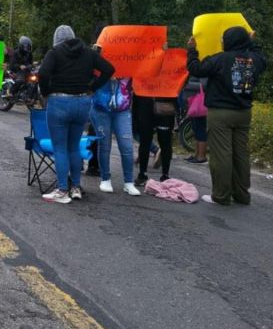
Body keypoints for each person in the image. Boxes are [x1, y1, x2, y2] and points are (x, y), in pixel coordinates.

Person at [187, 26, 267, 205]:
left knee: (221, 154)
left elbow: (196, 69)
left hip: (220, 113)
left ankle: (221, 195)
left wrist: (192, 50)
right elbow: (262, 58)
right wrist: (252, 43)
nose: (222, 41)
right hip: (244, 112)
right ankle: (242, 195)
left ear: (229, 41)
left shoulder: (220, 59)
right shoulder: (255, 60)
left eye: (224, 38)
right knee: (240, 154)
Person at [38, 25, 114, 203]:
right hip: (82, 103)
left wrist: (46, 91)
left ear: (57, 40)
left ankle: (62, 190)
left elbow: (43, 73)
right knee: (73, 147)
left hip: (59, 102)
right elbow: (109, 69)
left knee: (60, 148)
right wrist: (93, 87)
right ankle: (76, 188)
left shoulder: (54, 53)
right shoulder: (88, 53)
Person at [90, 75, 142, 195]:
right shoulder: (100, 65)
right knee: (104, 145)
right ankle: (105, 179)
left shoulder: (131, 66)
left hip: (123, 109)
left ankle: (129, 182)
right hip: (100, 107)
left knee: (127, 147)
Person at [132, 96, 174, 185]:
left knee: (165, 142)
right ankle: (143, 174)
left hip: (163, 105)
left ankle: (165, 175)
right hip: (147, 104)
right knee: (145, 142)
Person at [183, 77, 208, 164]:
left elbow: (204, 85)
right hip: (193, 105)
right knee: (196, 130)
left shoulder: (202, 72)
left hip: (198, 105)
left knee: (201, 130)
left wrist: (186, 84)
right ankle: (197, 154)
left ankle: (201, 156)